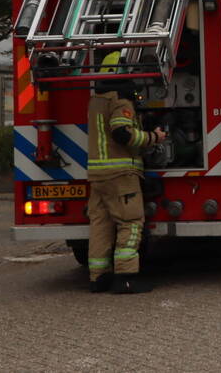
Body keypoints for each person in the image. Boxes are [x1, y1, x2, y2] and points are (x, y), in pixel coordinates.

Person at [87, 52, 167, 294]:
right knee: (130, 222)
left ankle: (98, 278)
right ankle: (126, 277)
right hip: (121, 173)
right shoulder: (120, 102)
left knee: (101, 225)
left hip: (98, 174)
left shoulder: (96, 100)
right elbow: (122, 134)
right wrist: (154, 137)